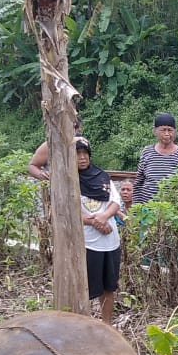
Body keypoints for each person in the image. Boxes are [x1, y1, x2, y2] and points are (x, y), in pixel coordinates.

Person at [74, 137, 124, 324]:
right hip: (87, 243)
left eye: (85, 153)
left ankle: (106, 324)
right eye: (77, 154)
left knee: (108, 287)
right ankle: (83, 324)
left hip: (110, 241)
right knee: (85, 287)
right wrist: (95, 222)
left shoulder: (102, 176)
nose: (82, 158)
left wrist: (103, 217)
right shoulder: (69, 180)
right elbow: (68, 211)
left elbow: (115, 202)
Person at [132, 112, 178, 204]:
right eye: (163, 130)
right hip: (147, 209)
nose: (167, 134)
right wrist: (136, 210)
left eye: (170, 130)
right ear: (155, 131)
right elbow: (139, 181)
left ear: (175, 132)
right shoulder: (147, 152)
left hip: (171, 209)